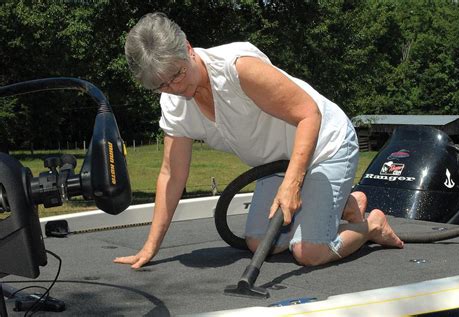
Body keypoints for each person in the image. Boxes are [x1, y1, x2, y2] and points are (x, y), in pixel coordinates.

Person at [114, 12, 403, 269]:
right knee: (259, 242)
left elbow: (308, 115)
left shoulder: (237, 68)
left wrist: (292, 185)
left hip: (325, 143)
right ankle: (346, 204)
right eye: (161, 85)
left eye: (177, 74)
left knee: (307, 251)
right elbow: (172, 174)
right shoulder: (174, 104)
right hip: (277, 162)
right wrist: (151, 246)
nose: (175, 88)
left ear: (188, 49)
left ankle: (371, 226)